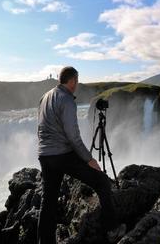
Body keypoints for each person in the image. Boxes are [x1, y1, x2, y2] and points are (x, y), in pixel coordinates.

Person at [37, 66, 125, 244]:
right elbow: (73, 137)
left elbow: (40, 127)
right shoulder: (67, 100)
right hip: (62, 155)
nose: (77, 84)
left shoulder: (45, 97)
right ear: (71, 80)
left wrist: (44, 150)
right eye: (76, 80)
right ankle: (113, 229)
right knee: (101, 182)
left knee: (48, 202)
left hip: (45, 155)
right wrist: (89, 159)